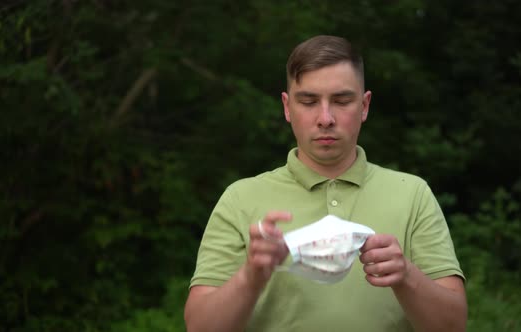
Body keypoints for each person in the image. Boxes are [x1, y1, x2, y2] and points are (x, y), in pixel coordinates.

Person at [184, 35, 467, 332]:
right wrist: (251, 276)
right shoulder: (240, 199)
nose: (325, 118)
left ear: (365, 105)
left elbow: (454, 325)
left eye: (342, 100)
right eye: (308, 101)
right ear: (287, 107)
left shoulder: (413, 194)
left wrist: (406, 276)